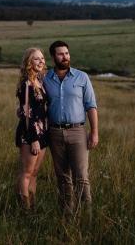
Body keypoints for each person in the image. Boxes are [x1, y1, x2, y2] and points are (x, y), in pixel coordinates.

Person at [44, 40, 98, 215]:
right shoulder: (45, 78)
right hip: (54, 132)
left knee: (81, 177)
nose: (65, 57)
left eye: (67, 53)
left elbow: (91, 106)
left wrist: (94, 133)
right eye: (60, 54)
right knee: (62, 178)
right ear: (53, 57)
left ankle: (87, 217)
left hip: (77, 132)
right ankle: (67, 216)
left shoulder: (82, 77)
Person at [15, 47, 49, 210]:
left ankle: (32, 206)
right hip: (30, 134)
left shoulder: (39, 81)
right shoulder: (26, 84)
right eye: (36, 59)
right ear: (29, 62)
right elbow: (26, 114)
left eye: (42, 58)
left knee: (34, 173)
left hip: (42, 133)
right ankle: (24, 209)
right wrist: (34, 138)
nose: (41, 61)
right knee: (27, 173)